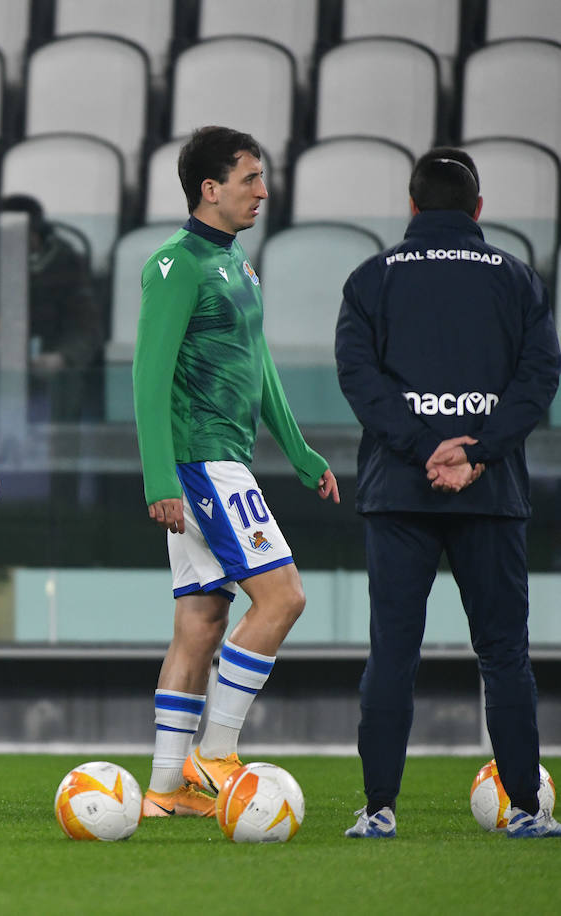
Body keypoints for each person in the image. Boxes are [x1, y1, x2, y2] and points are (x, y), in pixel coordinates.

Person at [335, 148, 561, 839]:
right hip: (489, 495)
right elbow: (541, 376)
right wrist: (478, 450)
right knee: (503, 653)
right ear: (478, 210)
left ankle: (378, 811)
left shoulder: (372, 278)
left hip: (399, 492)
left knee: (393, 653)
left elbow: (357, 374)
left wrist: (419, 445)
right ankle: (526, 808)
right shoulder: (518, 278)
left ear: (411, 208)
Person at [132, 126, 340, 819]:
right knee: (281, 599)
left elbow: (262, 367)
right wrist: (160, 476)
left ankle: (166, 788)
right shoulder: (176, 263)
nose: (263, 191)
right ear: (210, 189)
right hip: (201, 462)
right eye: (251, 178)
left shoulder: (239, 265)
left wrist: (301, 453)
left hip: (222, 459)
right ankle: (216, 750)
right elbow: (148, 375)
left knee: (201, 618)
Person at [0, 194, 102, 422]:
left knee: (67, 382)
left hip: (49, 358)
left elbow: (86, 328)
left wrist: (63, 357)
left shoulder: (66, 263)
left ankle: (59, 451)